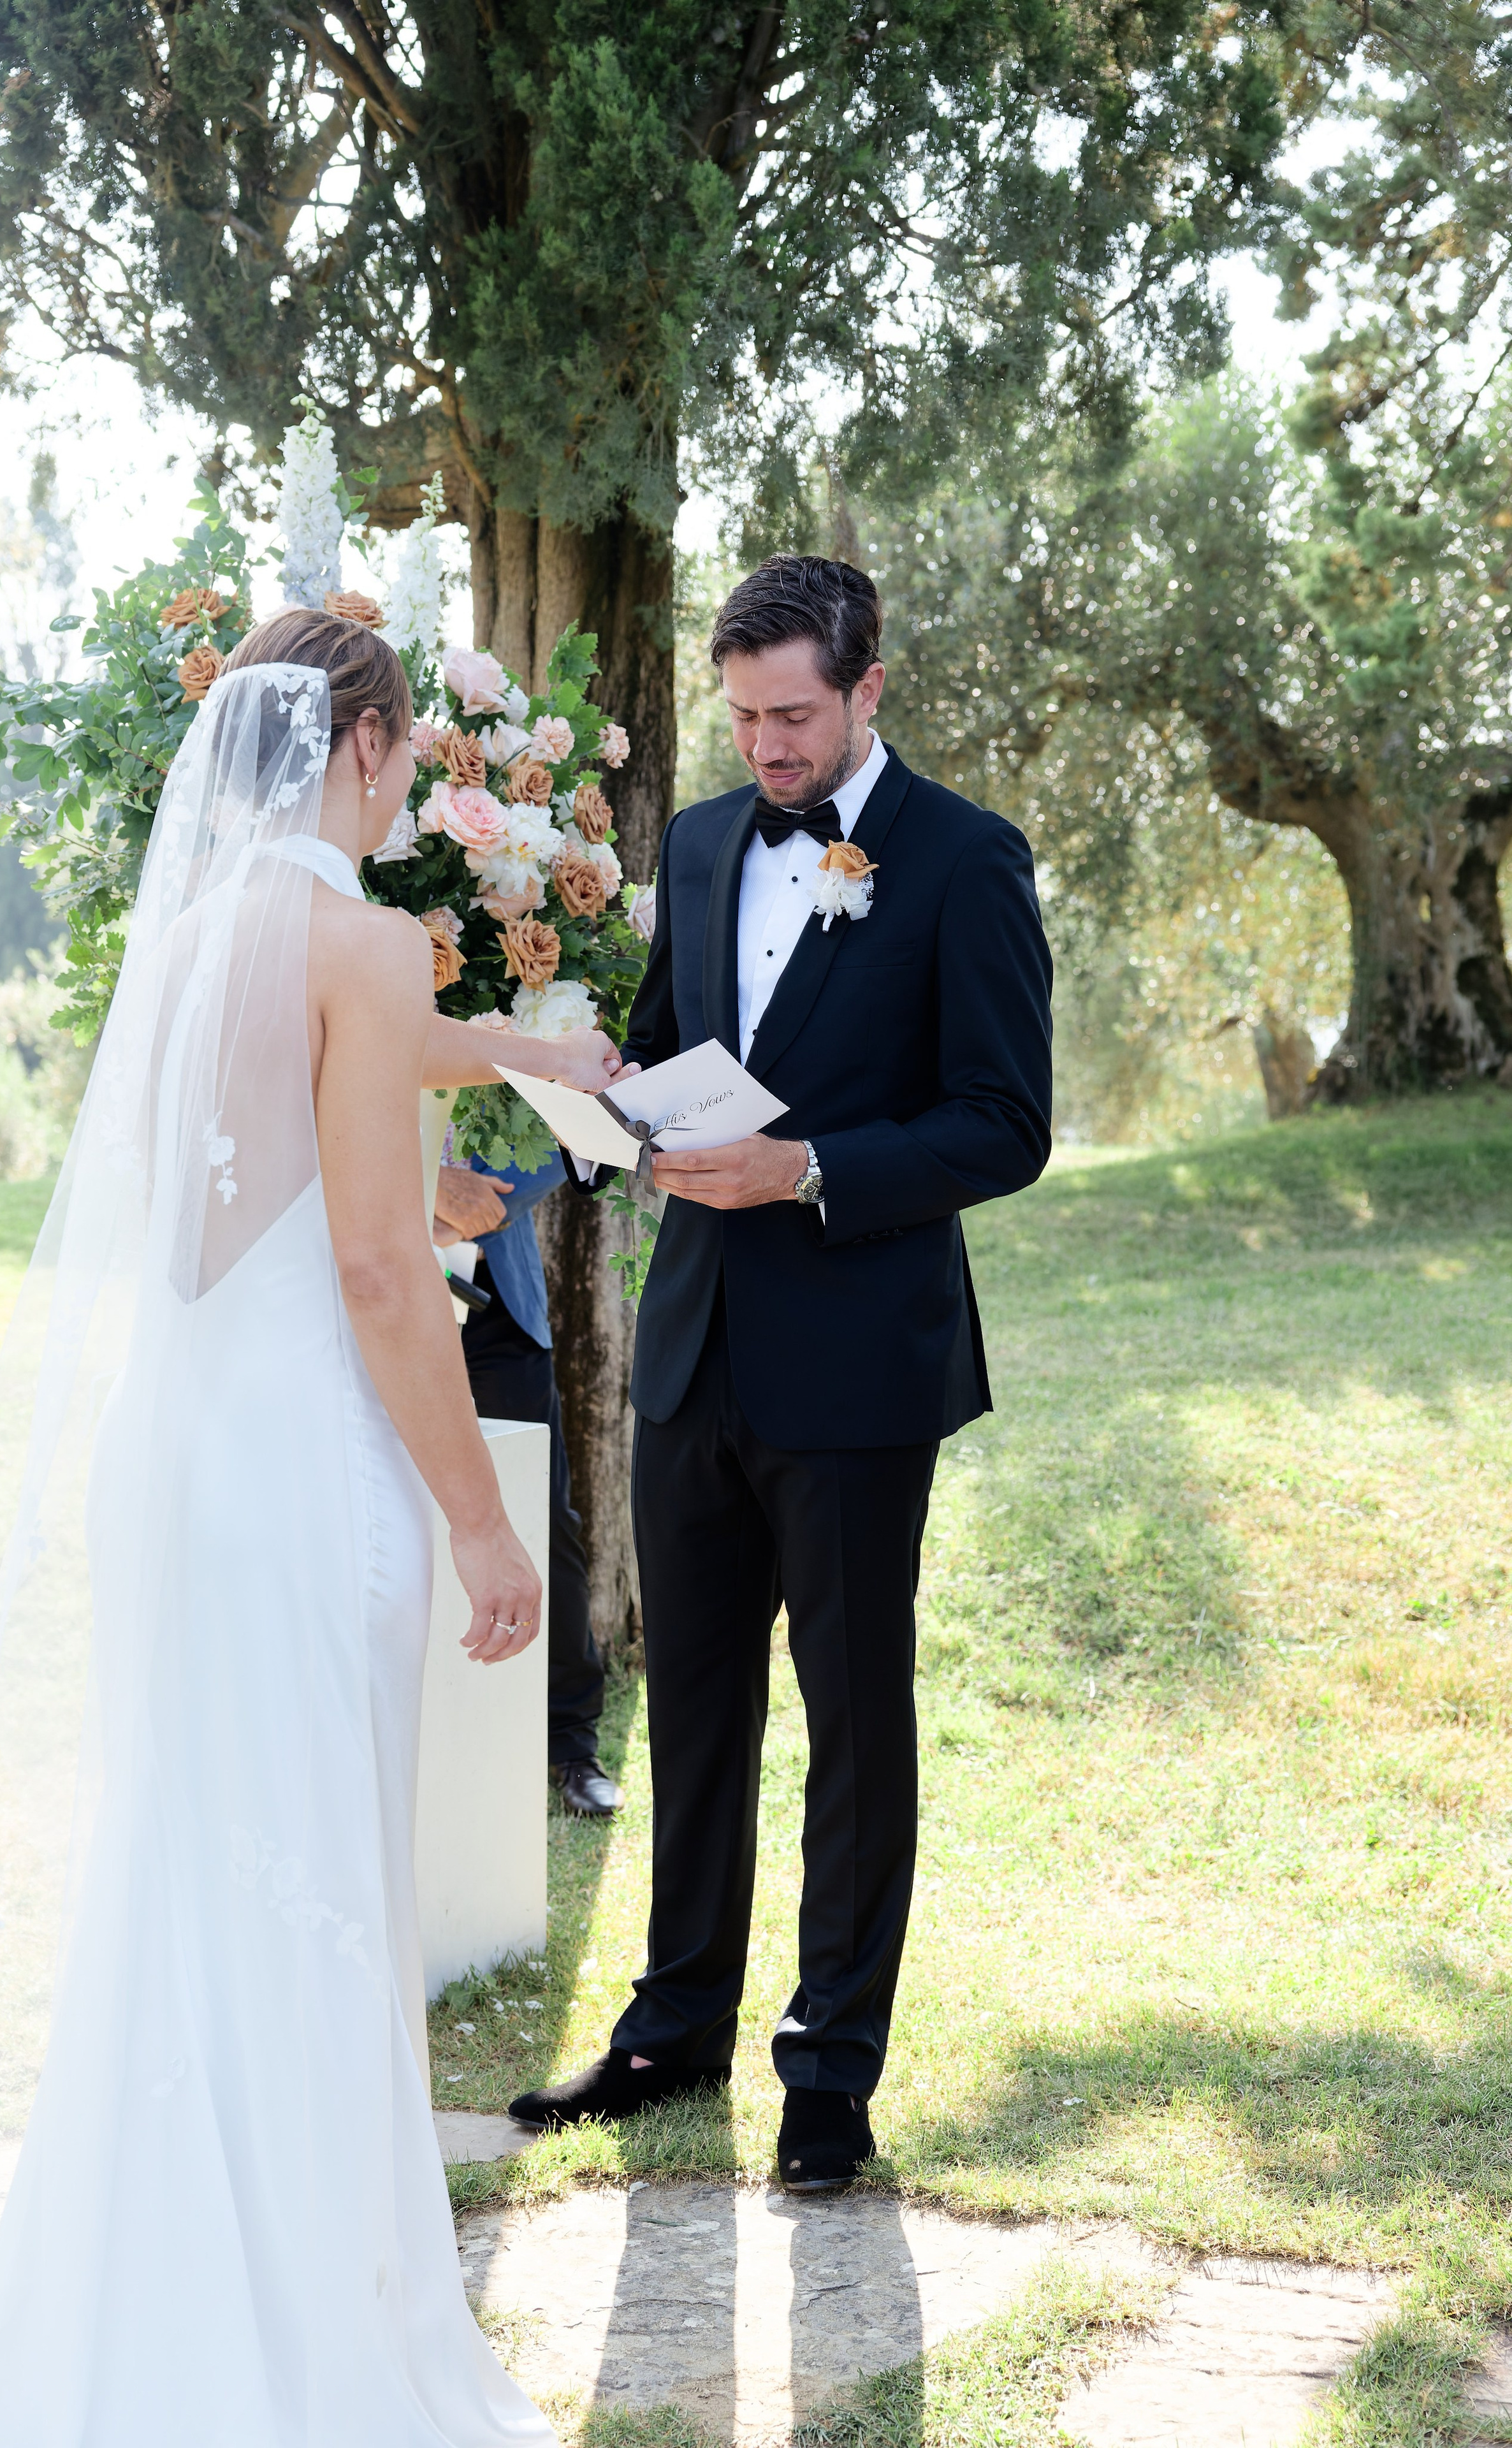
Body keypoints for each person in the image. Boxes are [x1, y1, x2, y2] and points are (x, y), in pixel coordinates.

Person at [0, 610, 625, 2439]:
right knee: (312, 1876)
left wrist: (501, 1067)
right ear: (363, 746)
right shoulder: (357, 934)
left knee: (189, 1871)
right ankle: (304, 2348)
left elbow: (266, 1174)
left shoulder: (195, 937)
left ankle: (145, 2323)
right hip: (299, 1468)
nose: (406, 800)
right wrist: (485, 1524)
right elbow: (373, 1271)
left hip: (171, 1464)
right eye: (407, 768)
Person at [510, 555, 1053, 2192]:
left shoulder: (964, 857)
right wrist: (610, 1094)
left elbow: (1002, 1124)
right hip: (690, 1351)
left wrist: (806, 1169)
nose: (767, 745)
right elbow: (684, 1037)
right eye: (744, 716)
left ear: (868, 686)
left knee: (853, 1722)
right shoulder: (695, 841)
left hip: (860, 1366)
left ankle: (828, 2071)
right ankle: (671, 2031)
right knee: (693, 1710)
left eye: (795, 714)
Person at [431, 1153, 621, 1816]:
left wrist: (470, 1207)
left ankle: (571, 1742)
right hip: (372, 1293)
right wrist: (421, 1187)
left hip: (497, 1301)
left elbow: (566, 1126)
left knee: (543, 1517)